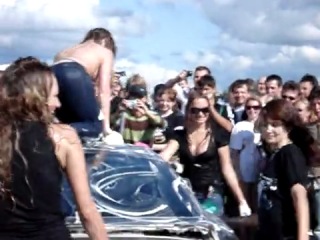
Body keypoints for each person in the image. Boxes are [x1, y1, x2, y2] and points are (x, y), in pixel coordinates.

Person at [0, 57, 108, 240]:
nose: (58, 105)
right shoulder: (63, 138)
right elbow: (87, 211)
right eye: (55, 96)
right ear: (37, 98)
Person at [160, 93, 251, 217]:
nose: (200, 114)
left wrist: (242, 201)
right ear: (188, 111)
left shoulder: (218, 135)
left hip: (212, 192)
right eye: (195, 110)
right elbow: (163, 157)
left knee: (207, 226)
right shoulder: (179, 135)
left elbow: (227, 169)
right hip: (187, 193)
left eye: (205, 110)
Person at [255, 99, 320, 240]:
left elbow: (299, 194)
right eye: (265, 125)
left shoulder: (289, 153)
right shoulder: (274, 155)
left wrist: (302, 237)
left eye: (275, 125)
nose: (268, 130)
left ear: (288, 127)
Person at [52, 27, 116, 138]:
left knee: (68, 121)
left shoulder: (67, 50)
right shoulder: (106, 51)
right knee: (94, 126)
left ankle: (50, 130)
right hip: (74, 73)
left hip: (52, 72)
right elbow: (104, 90)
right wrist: (105, 126)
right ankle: (53, 132)